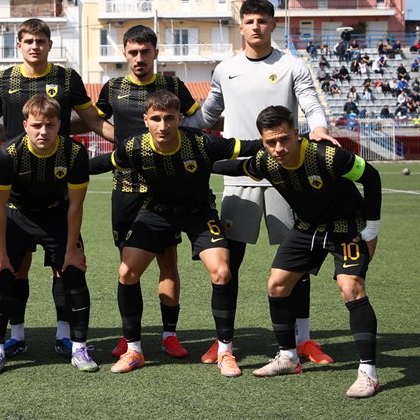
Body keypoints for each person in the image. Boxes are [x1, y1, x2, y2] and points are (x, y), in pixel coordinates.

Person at [185, 0, 335, 366]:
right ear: (241, 26)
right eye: (249, 20)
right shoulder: (226, 69)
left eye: (262, 21)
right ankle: (224, 342)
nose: (256, 26)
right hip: (241, 177)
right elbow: (208, 114)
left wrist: (318, 128)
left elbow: (310, 102)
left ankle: (303, 340)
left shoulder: (292, 65)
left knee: (296, 262)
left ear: (272, 25)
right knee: (228, 263)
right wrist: (179, 131)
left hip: (286, 176)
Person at [216, 105, 382, 398]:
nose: (278, 148)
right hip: (307, 228)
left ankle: (368, 373)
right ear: (262, 141)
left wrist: (371, 229)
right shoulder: (265, 161)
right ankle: (288, 357)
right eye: (270, 142)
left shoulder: (328, 156)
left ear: (296, 133)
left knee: (351, 288)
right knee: (277, 284)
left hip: (346, 228)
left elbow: (371, 177)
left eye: (284, 139)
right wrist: (199, 163)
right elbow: (236, 167)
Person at [102, 90, 262, 375]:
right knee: (127, 272)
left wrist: (287, 141)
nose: (163, 126)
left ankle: (225, 351)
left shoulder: (200, 142)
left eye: (169, 118)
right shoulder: (134, 146)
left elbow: (248, 145)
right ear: (146, 120)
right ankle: (134, 350)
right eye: (156, 119)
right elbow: (100, 164)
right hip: (156, 213)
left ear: (180, 119)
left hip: (199, 213)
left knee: (222, 272)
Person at [0, 18, 113, 358]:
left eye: (40, 41)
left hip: (57, 189)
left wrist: (129, 143)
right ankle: (16, 336)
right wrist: (5, 145)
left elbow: (93, 120)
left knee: (66, 268)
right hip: (18, 194)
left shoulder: (67, 78)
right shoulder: (4, 79)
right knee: (15, 269)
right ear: (19, 44)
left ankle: (64, 336)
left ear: (50, 45)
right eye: (28, 41)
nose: (34, 46)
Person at [92, 24, 199, 359]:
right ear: (125, 54)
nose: (139, 58)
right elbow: (95, 120)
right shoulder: (113, 88)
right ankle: (130, 337)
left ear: (156, 53)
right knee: (128, 266)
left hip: (165, 188)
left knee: (168, 262)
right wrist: (124, 143)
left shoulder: (173, 85)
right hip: (126, 187)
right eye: (133, 52)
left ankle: (169, 335)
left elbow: (197, 120)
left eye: (145, 52)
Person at [0, 94, 98, 376]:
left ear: (59, 125)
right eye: (36, 125)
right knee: (1, 274)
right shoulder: (8, 153)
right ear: (25, 125)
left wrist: (72, 249)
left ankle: (78, 347)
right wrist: (0, 253)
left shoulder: (74, 153)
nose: (43, 131)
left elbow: (76, 205)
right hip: (15, 214)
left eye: (50, 125)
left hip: (56, 214)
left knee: (73, 271)